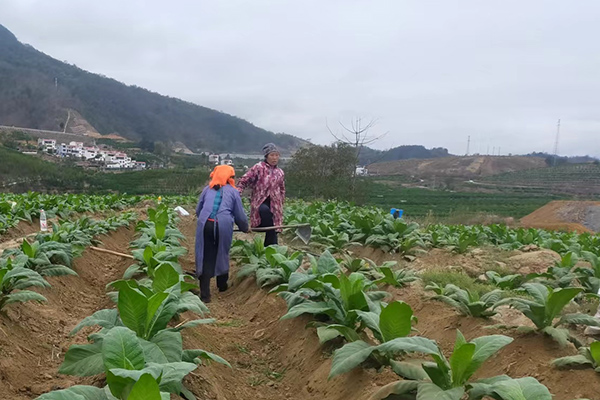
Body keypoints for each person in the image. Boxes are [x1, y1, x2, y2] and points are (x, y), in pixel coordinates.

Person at [195, 165, 248, 303]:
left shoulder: (207, 189)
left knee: (206, 255)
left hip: (205, 224)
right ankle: (222, 285)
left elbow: (198, 209)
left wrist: (205, 220)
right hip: (223, 225)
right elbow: (240, 216)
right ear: (230, 178)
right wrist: (245, 228)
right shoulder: (233, 192)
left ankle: (205, 295)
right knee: (222, 252)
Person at [237, 143, 285, 246]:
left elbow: (282, 188)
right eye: (272, 155)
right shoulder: (259, 168)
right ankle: (270, 245)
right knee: (265, 212)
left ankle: (270, 249)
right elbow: (244, 180)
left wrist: (282, 201)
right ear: (266, 156)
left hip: (275, 204)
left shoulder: (280, 172)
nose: (274, 158)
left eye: (276, 155)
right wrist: (238, 192)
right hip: (260, 201)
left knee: (272, 229)